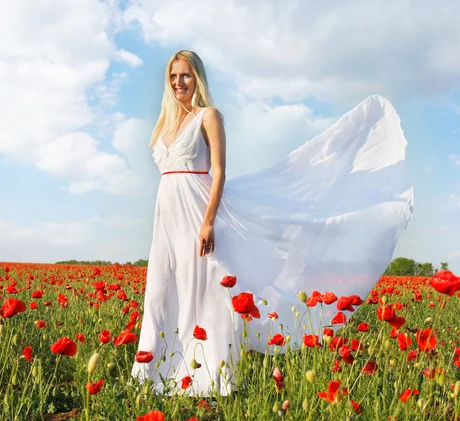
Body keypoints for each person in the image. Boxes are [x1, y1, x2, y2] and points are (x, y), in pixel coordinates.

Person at [130, 50, 414, 397]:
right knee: (160, 292)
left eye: (186, 75)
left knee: (206, 292)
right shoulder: (165, 123)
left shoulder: (209, 117)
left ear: (198, 78)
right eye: (173, 77)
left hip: (197, 212)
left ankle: (211, 379)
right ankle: (152, 374)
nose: (179, 83)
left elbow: (218, 173)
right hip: (167, 218)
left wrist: (208, 222)